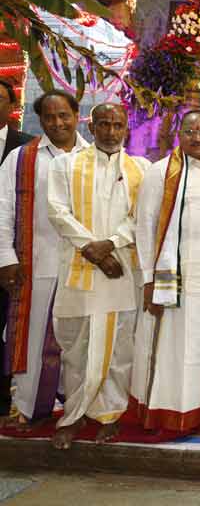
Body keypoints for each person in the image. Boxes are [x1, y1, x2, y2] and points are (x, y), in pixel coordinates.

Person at [46, 103, 148, 448]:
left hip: (120, 272)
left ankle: (109, 415)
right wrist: (93, 250)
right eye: (103, 124)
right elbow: (58, 213)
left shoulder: (139, 169)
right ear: (92, 128)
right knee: (75, 349)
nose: (110, 131)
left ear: (126, 129)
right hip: (80, 271)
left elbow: (139, 218)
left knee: (119, 349)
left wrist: (111, 244)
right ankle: (73, 416)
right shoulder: (65, 164)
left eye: (117, 125)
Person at [130, 111, 200, 435]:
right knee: (169, 348)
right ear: (180, 135)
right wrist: (151, 280)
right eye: (190, 131)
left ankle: (194, 412)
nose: (197, 138)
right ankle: (162, 415)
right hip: (174, 278)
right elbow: (145, 228)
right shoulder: (162, 173)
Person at [0, 90, 89, 426]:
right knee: (33, 335)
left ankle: (76, 406)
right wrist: (5, 257)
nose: (57, 123)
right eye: (49, 117)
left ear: (77, 115)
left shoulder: (95, 157)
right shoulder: (22, 158)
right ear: (40, 120)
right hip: (37, 263)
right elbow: (3, 210)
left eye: (64, 115)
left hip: (83, 266)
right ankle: (27, 407)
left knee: (78, 339)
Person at [0, 79, 32, 416]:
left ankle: (5, 399)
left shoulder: (26, 147)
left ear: (11, 106)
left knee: (9, 326)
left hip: (10, 254)